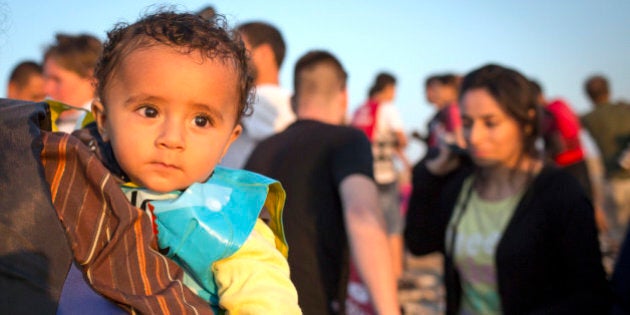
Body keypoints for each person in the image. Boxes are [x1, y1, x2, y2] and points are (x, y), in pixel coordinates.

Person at [76, 11, 299, 314]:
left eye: (201, 120)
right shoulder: (75, 178)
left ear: (227, 142)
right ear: (103, 119)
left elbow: (267, 304)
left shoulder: (233, 225)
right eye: (150, 111)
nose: (172, 138)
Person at [404, 64, 611, 314]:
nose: (475, 136)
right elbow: (420, 242)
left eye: (490, 123)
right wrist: (430, 176)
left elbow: (589, 295)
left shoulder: (560, 193)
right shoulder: (460, 186)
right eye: (468, 123)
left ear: (525, 122)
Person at [245, 50, 400, 315]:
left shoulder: (262, 150)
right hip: (314, 303)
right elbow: (363, 216)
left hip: (253, 301)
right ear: (344, 96)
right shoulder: (347, 140)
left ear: (293, 101)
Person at [351, 72, 408, 282]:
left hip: (362, 173)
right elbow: (401, 139)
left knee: (367, 225)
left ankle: (369, 274)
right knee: (392, 224)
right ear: (388, 88)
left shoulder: (360, 109)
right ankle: (395, 275)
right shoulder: (388, 108)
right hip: (384, 174)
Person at [221, 21, 295, 169]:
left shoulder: (261, 98)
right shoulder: (288, 100)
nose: (229, 58)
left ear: (264, 53)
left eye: (238, 49)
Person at [581, 75, 630, 244]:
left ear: (588, 95)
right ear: (609, 90)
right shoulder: (624, 109)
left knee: (619, 235)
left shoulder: (589, 118)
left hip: (614, 182)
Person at [42, 33, 102, 132]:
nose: (46, 89)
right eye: (46, 79)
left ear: (92, 80)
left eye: (57, 80)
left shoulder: (109, 131)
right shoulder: (41, 129)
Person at [424, 73, 465, 154]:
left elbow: (458, 136)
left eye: (439, 89)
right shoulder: (446, 110)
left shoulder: (452, 109)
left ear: (450, 89)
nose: (436, 93)